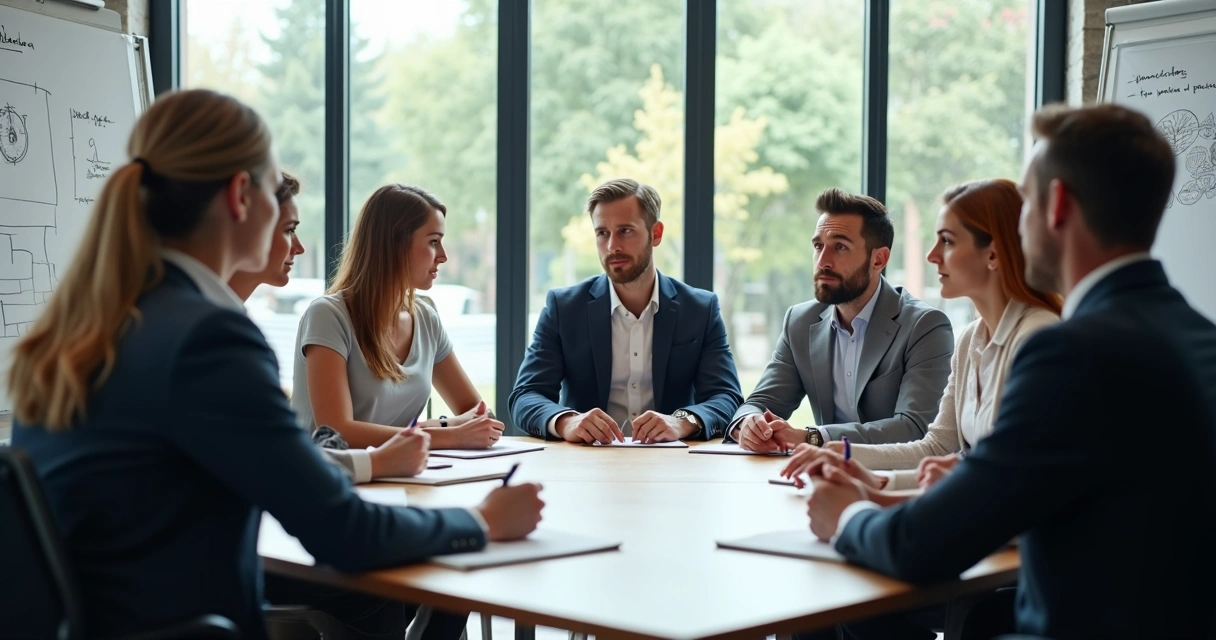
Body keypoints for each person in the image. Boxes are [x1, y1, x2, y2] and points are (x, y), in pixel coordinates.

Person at [9, 89, 544, 640]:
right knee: (411, 587)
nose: (293, 237)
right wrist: (481, 520)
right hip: (185, 622)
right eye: (275, 196)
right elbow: (341, 530)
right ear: (242, 195)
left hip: (111, 619)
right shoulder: (207, 338)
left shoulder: (91, 321)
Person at [806, 103, 1216, 639]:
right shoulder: (1198, 335)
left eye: (1026, 204)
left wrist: (848, 517)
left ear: (1058, 206)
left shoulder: (1070, 353)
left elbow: (926, 546)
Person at [782, 179, 1061, 494]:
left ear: (993, 255)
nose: (932, 255)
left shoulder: (1038, 339)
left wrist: (875, 496)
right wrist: (846, 458)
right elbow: (937, 448)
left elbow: (1018, 482)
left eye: (947, 241)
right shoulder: (971, 338)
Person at [509, 178, 743, 443]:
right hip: (587, 463)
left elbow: (727, 397)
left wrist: (682, 423)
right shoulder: (564, 308)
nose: (612, 247)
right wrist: (567, 421)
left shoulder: (700, 309)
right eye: (602, 233)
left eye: (625, 231)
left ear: (656, 234)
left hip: (673, 464)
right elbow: (525, 396)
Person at [730, 188, 955, 452]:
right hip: (821, 477)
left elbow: (915, 428)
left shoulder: (925, 326)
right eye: (818, 246)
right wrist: (749, 424)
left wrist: (813, 437)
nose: (823, 261)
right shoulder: (800, 321)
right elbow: (761, 401)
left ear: (879, 259)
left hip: (895, 480)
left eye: (840, 247)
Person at [292, 184, 504, 450]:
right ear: (395, 244)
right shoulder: (327, 315)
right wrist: (446, 433)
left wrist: (430, 429)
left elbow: (482, 417)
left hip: (396, 479)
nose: (443, 256)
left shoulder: (426, 319)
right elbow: (336, 432)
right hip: (323, 483)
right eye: (433, 241)